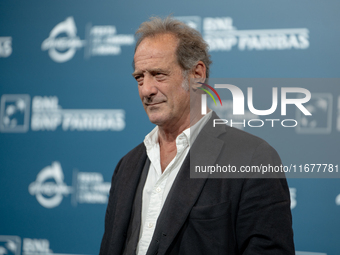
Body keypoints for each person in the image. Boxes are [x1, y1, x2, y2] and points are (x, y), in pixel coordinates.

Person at [100, 16, 294, 255]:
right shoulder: (127, 166)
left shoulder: (252, 159)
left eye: (159, 75)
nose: (146, 90)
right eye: (140, 77)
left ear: (197, 75)